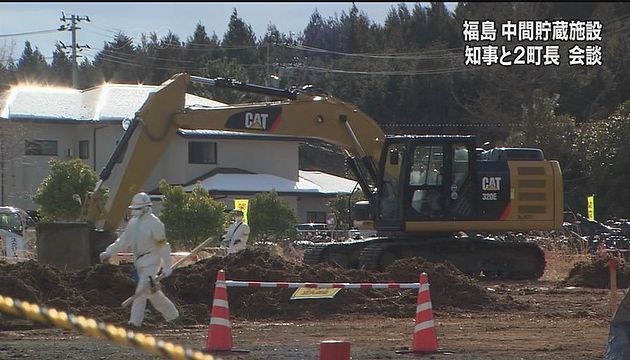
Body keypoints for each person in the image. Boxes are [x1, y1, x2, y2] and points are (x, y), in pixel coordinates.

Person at [99, 192, 180, 328]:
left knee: (141, 291)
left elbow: (163, 245)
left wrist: (167, 266)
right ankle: (173, 316)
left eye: (137, 208)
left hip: (152, 260)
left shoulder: (155, 223)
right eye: (134, 208)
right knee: (151, 293)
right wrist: (108, 252)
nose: (134, 211)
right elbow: (123, 241)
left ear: (146, 208)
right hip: (139, 261)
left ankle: (134, 323)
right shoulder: (133, 222)